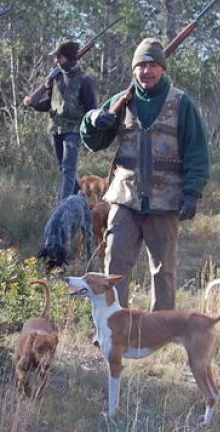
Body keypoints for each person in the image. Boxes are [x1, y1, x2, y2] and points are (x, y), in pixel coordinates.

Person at [80, 37, 210, 311]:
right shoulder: (121, 101)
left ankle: (162, 328)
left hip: (165, 202)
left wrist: (192, 193)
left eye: (152, 65)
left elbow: (197, 151)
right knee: (115, 265)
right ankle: (113, 325)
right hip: (124, 199)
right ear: (134, 69)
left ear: (163, 68)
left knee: (164, 270)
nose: (146, 71)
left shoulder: (181, 103)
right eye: (140, 65)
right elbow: (94, 142)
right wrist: (93, 121)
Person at [23, 40, 97, 200]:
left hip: (74, 131)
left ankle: (62, 206)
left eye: (59, 57)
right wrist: (34, 103)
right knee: (64, 170)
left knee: (68, 170)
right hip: (56, 130)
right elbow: (49, 104)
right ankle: (82, 201)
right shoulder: (56, 78)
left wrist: (91, 134)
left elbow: (92, 110)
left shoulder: (84, 80)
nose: (56, 61)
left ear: (69, 57)